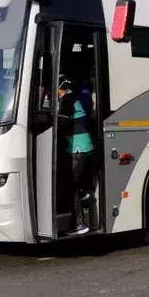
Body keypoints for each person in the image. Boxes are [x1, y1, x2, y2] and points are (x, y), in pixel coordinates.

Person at [58, 73, 96, 236]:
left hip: (78, 149)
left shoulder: (66, 100)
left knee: (70, 185)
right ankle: (85, 194)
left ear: (59, 88)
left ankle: (80, 224)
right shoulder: (77, 97)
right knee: (74, 182)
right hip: (85, 147)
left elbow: (61, 124)